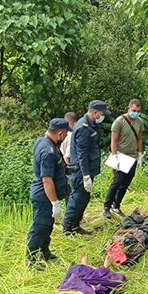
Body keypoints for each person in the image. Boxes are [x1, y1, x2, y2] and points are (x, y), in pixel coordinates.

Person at [26, 118, 70, 268]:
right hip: (44, 196)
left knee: (48, 226)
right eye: (65, 134)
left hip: (48, 194)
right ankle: (31, 259)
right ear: (59, 133)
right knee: (39, 227)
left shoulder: (43, 141)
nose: (65, 138)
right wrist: (55, 203)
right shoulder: (48, 152)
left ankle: (45, 251)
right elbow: (47, 180)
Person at [63, 100, 110, 237]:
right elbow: (82, 154)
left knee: (84, 199)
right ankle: (67, 227)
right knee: (76, 199)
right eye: (101, 113)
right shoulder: (83, 127)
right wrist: (85, 175)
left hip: (88, 169)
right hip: (80, 171)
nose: (102, 116)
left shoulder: (91, 124)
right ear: (94, 112)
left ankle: (76, 225)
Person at [103, 99, 145, 219]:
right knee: (117, 182)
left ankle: (116, 205)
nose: (135, 113)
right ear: (128, 108)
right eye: (133, 110)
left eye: (137, 111)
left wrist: (140, 154)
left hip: (132, 156)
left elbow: (139, 139)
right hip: (121, 155)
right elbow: (114, 140)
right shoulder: (119, 121)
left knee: (126, 183)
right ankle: (107, 206)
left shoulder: (139, 122)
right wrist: (114, 155)